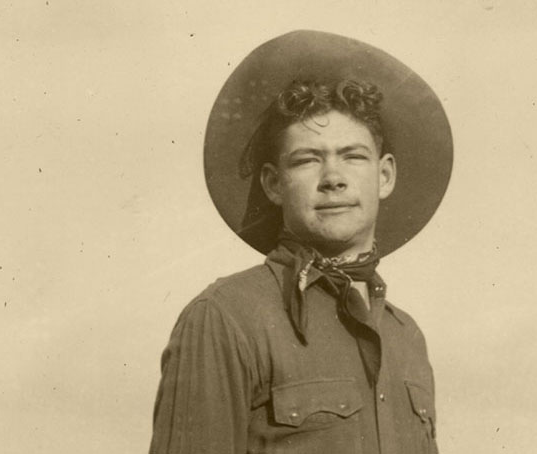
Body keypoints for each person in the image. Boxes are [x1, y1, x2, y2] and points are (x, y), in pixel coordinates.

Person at [150, 30, 452, 454]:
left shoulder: (406, 337)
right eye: (308, 159)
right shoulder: (225, 318)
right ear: (274, 184)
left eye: (353, 156)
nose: (333, 178)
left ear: (385, 176)